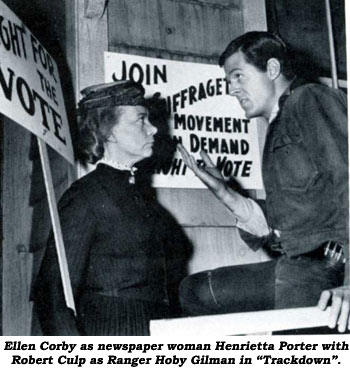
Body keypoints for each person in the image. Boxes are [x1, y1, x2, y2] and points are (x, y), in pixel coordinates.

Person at [178, 31, 349, 333]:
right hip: (301, 263)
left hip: (327, 266)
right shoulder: (279, 123)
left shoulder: (309, 99)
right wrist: (225, 193)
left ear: (271, 69)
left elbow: (346, 180)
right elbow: (289, 221)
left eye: (238, 76)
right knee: (196, 291)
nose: (232, 89)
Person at [33, 80, 190, 335]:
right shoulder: (87, 196)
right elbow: (52, 294)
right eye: (140, 120)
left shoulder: (140, 196)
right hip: (114, 330)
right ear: (109, 132)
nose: (152, 130)